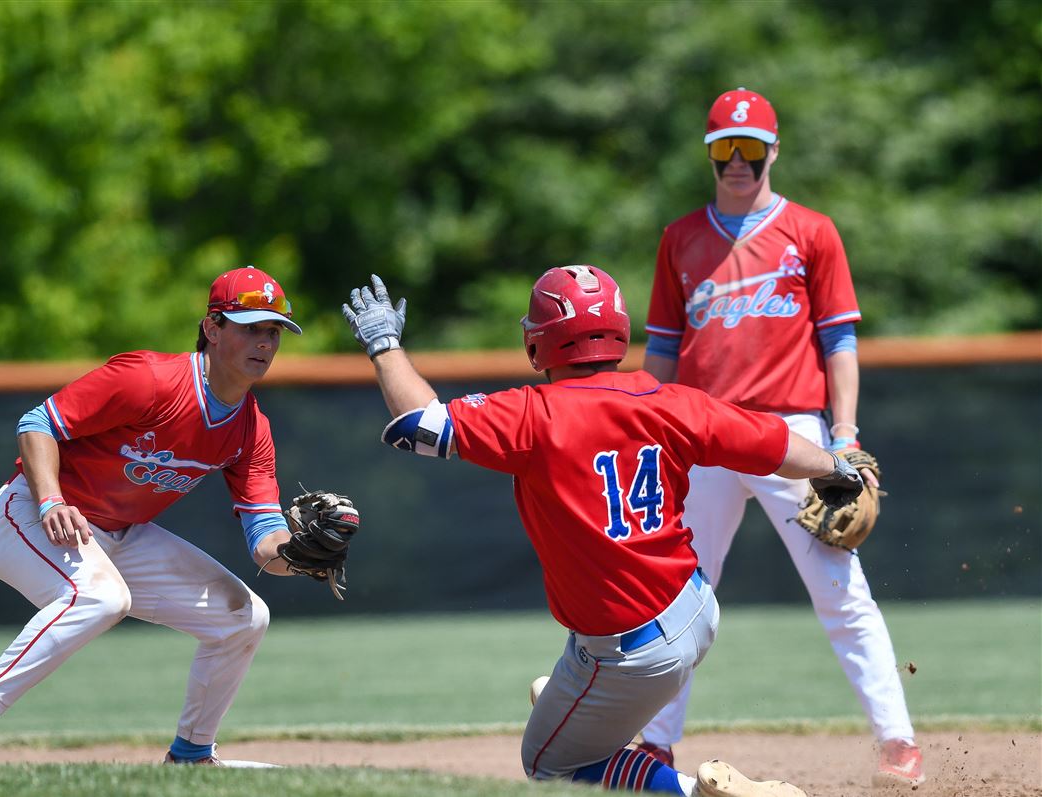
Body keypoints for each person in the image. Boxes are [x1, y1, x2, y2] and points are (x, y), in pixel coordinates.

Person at [342, 268, 863, 796]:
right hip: (695, 606)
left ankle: (686, 789)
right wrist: (835, 468)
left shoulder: (533, 414)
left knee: (549, 764)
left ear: (536, 342)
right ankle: (580, 706)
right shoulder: (672, 402)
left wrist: (384, 344)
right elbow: (773, 443)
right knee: (570, 691)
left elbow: (420, 426)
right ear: (619, 332)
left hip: (629, 650)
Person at [638, 87, 923, 787]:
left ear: (774, 149)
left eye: (751, 147)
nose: (738, 161)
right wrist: (647, 430)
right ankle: (651, 742)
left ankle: (898, 741)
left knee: (838, 588)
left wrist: (846, 436)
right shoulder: (680, 239)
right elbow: (662, 355)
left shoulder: (811, 231)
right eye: (724, 149)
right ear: (710, 155)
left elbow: (839, 342)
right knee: (676, 595)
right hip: (700, 431)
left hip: (788, 430)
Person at [0, 266, 323, 767]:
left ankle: (192, 756)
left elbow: (265, 541)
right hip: (26, 515)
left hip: (117, 534)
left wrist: (303, 555)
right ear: (213, 327)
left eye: (273, 331)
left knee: (245, 617)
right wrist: (51, 499)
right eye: (250, 326)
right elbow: (38, 423)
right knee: (102, 596)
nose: (265, 342)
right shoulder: (151, 378)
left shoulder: (251, 429)